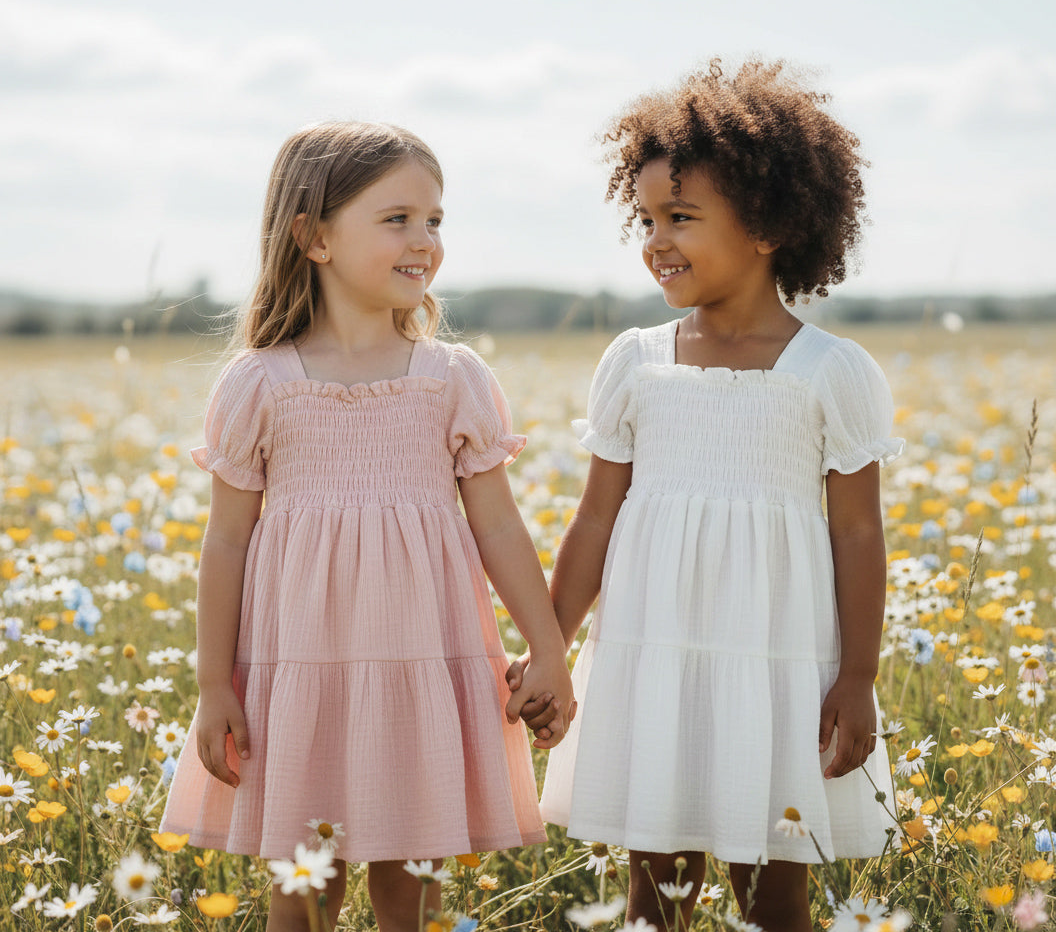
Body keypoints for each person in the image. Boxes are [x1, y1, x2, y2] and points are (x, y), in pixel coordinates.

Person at [509, 60, 903, 932]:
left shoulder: (831, 373)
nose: (656, 239)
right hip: (652, 655)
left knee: (773, 896)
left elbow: (857, 534)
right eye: (647, 218)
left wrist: (859, 675)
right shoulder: (636, 362)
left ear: (768, 224)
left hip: (776, 666)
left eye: (681, 217)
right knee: (655, 891)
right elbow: (596, 517)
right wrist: (550, 645)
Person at [160, 121, 574, 932]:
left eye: (435, 220)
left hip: (423, 661)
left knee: (412, 885)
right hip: (301, 670)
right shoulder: (259, 384)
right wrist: (214, 685)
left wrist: (549, 646)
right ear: (314, 237)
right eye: (397, 219)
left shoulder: (451, 378)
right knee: (304, 888)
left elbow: (498, 525)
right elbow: (226, 542)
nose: (425, 240)